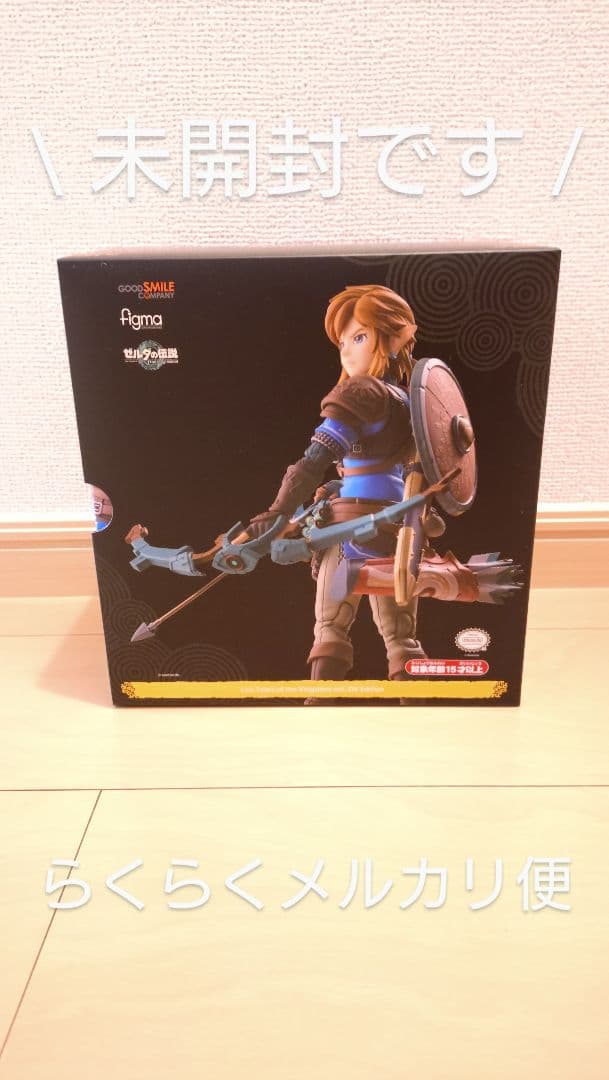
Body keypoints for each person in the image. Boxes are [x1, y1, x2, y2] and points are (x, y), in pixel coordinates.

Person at [247, 284, 433, 693]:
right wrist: (335, 486)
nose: (347, 351)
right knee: (401, 636)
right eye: (344, 342)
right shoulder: (412, 402)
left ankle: (320, 705)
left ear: (394, 339)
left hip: (352, 530)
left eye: (360, 337)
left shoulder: (361, 391)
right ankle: (415, 710)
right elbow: (391, 470)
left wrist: (277, 513)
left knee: (330, 627)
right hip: (398, 532)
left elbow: (312, 461)